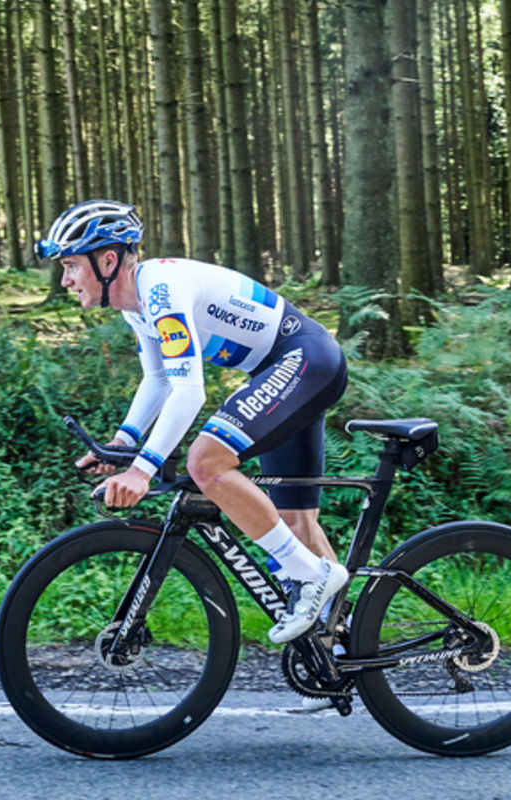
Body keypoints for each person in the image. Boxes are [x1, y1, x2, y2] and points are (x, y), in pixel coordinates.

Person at [37, 199, 349, 645]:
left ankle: (313, 576)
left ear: (107, 261)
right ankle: (341, 648)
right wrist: (124, 443)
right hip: (293, 366)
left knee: (207, 463)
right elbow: (159, 378)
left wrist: (142, 471)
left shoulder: (160, 290)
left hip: (305, 359)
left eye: (70, 265)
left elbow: (190, 391)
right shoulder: (136, 304)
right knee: (296, 523)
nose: (65, 279)